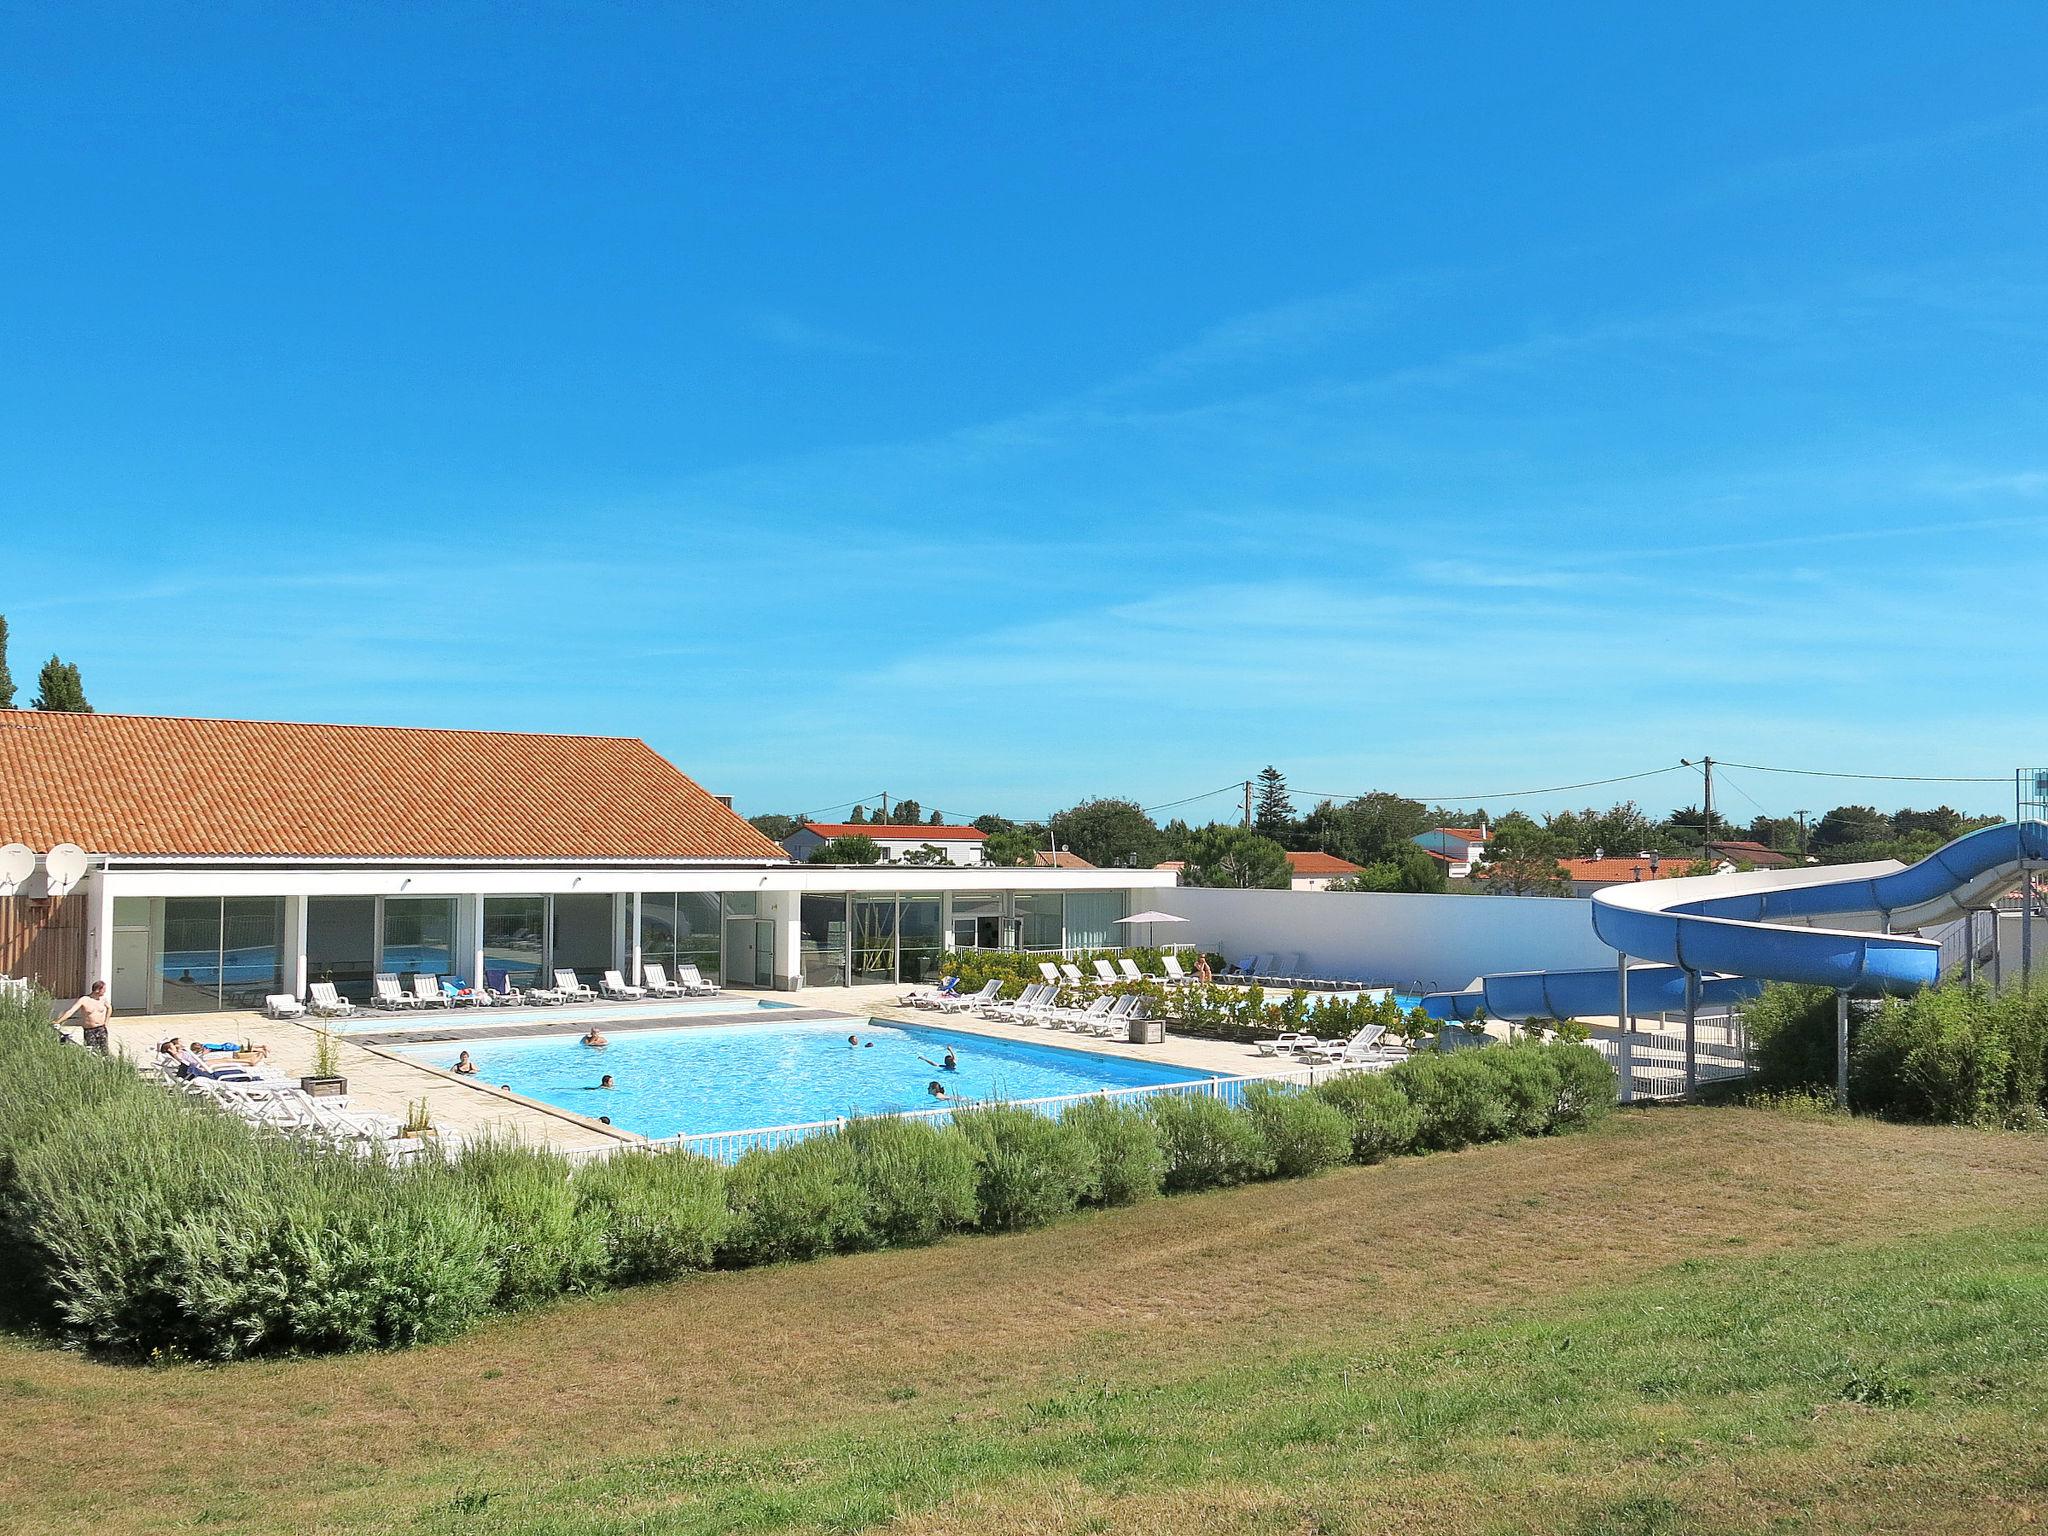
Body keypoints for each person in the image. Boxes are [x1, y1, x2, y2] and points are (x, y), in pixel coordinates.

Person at [54, 981, 111, 1055]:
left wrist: (106, 1021)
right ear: (97, 990)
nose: (105, 991)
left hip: (101, 1028)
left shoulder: (103, 999)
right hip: (90, 1030)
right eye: (104, 989)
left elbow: (110, 1008)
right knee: (91, 1052)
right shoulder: (84, 1000)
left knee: (104, 1051)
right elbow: (71, 1011)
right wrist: (58, 1021)